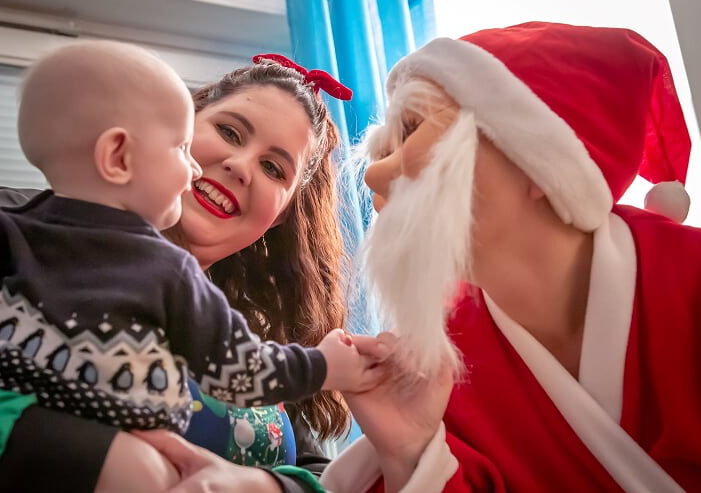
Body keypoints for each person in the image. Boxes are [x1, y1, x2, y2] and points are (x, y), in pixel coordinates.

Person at [314, 21, 701, 493]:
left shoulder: (689, 281)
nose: (374, 177)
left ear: (537, 161)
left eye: (412, 131)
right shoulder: (437, 373)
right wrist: (410, 452)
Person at [0, 42, 384, 493]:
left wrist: (254, 485)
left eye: (273, 168)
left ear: (280, 215)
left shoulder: (263, 338)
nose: (240, 166)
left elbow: (320, 477)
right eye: (229, 132)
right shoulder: (18, 226)